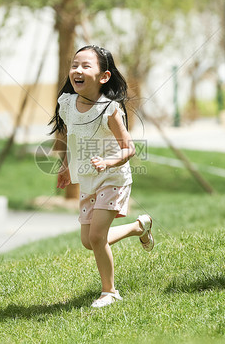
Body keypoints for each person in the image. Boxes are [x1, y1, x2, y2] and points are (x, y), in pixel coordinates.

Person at [49, 45, 154, 308]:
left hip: (114, 178)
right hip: (88, 179)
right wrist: (65, 167)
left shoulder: (109, 110)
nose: (78, 70)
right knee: (89, 241)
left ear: (104, 77)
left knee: (97, 237)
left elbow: (129, 148)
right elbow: (67, 135)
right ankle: (138, 227)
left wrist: (108, 161)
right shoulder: (67, 104)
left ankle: (109, 291)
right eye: (75, 65)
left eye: (86, 66)